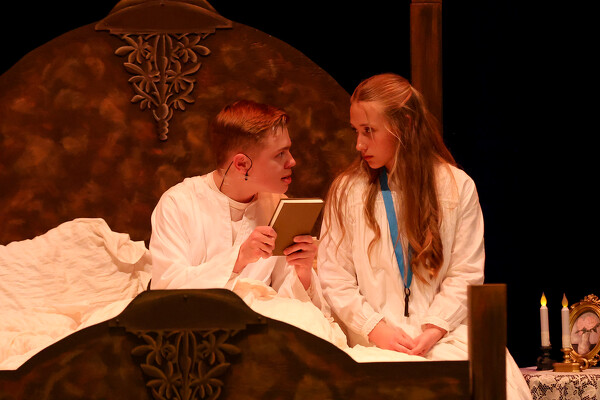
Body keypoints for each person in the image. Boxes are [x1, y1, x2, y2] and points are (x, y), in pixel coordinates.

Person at [317, 73, 531, 399]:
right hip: (374, 342)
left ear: (403, 124)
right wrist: (374, 328)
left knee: (477, 381)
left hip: (445, 337)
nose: (359, 144)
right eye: (356, 131)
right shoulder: (348, 191)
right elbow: (334, 275)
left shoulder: (456, 187)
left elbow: (466, 272)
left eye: (369, 131)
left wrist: (434, 328)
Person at [150, 100, 327, 312]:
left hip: (261, 323)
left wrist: (302, 270)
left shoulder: (278, 205)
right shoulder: (178, 204)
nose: (292, 161)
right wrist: (238, 258)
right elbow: (166, 290)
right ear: (242, 164)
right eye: (280, 154)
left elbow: (288, 301)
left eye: (288, 150)